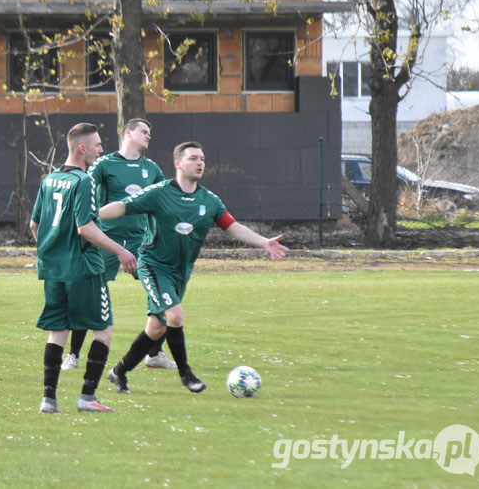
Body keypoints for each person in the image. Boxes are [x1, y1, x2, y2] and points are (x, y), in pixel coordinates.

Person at [101, 141, 288, 395]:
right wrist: (90, 216)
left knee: (157, 328)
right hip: (153, 265)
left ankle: (119, 371)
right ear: (178, 163)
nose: (199, 163)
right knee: (175, 316)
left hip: (181, 272)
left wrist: (264, 242)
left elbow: (233, 227)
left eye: (202, 158)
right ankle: (185, 373)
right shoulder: (158, 192)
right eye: (193, 158)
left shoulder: (209, 200)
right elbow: (123, 206)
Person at [29, 122, 137, 414]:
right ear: (82, 148)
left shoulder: (49, 179)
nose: (102, 150)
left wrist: (52, 252)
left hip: (52, 270)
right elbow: (85, 227)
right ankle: (87, 397)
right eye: (98, 145)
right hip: (84, 269)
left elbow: (34, 224)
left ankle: (48, 400)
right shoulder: (84, 181)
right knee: (103, 329)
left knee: (58, 330)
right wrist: (120, 250)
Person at [62, 118, 177, 372]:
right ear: (128, 133)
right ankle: (72, 355)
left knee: (166, 291)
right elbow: (85, 191)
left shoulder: (152, 168)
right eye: (144, 131)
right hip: (107, 241)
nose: (149, 136)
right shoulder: (104, 164)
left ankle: (155, 354)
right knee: (88, 293)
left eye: (150, 132)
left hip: (139, 243)